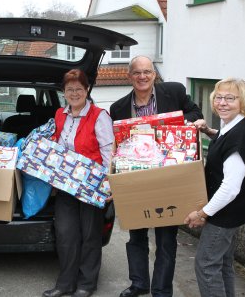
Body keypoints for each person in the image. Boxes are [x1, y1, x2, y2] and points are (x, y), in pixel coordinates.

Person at [109, 56, 203, 297]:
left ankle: (161, 290)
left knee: (166, 240)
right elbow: (115, 145)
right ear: (129, 76)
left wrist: (182, 125)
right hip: (135, 181)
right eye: (137, 73)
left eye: (147, 72)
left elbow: (194, 112)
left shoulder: (174, 92)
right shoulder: (118, 107)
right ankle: (139, 284)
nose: (142, 77)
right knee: (136, 237)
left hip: (167, 178)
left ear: (154, 74)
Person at [184, 78, 245, 297]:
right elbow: (225, 141)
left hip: (225, 214)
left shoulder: (240, 135)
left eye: (230, 98)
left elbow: (230, 188)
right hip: (235, 212)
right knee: (223, 263)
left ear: (243, 101)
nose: (222, 103)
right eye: (218, 97)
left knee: (206, 264)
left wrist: (202, 213)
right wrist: (209, 131)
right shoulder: (238, 123)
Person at [42, 69, 114, 297]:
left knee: (90, 235)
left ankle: (86, 284)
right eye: (70, 89)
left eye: (79, 89)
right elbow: (55, 145)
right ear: (63, 92)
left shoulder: (99, 115)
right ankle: (65, 284)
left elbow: (108, 152)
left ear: (87, 90)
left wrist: (109, 184)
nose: (74, 93)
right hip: (66, 185)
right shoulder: (59, 114)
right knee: (65, 234)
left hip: (93, 186)